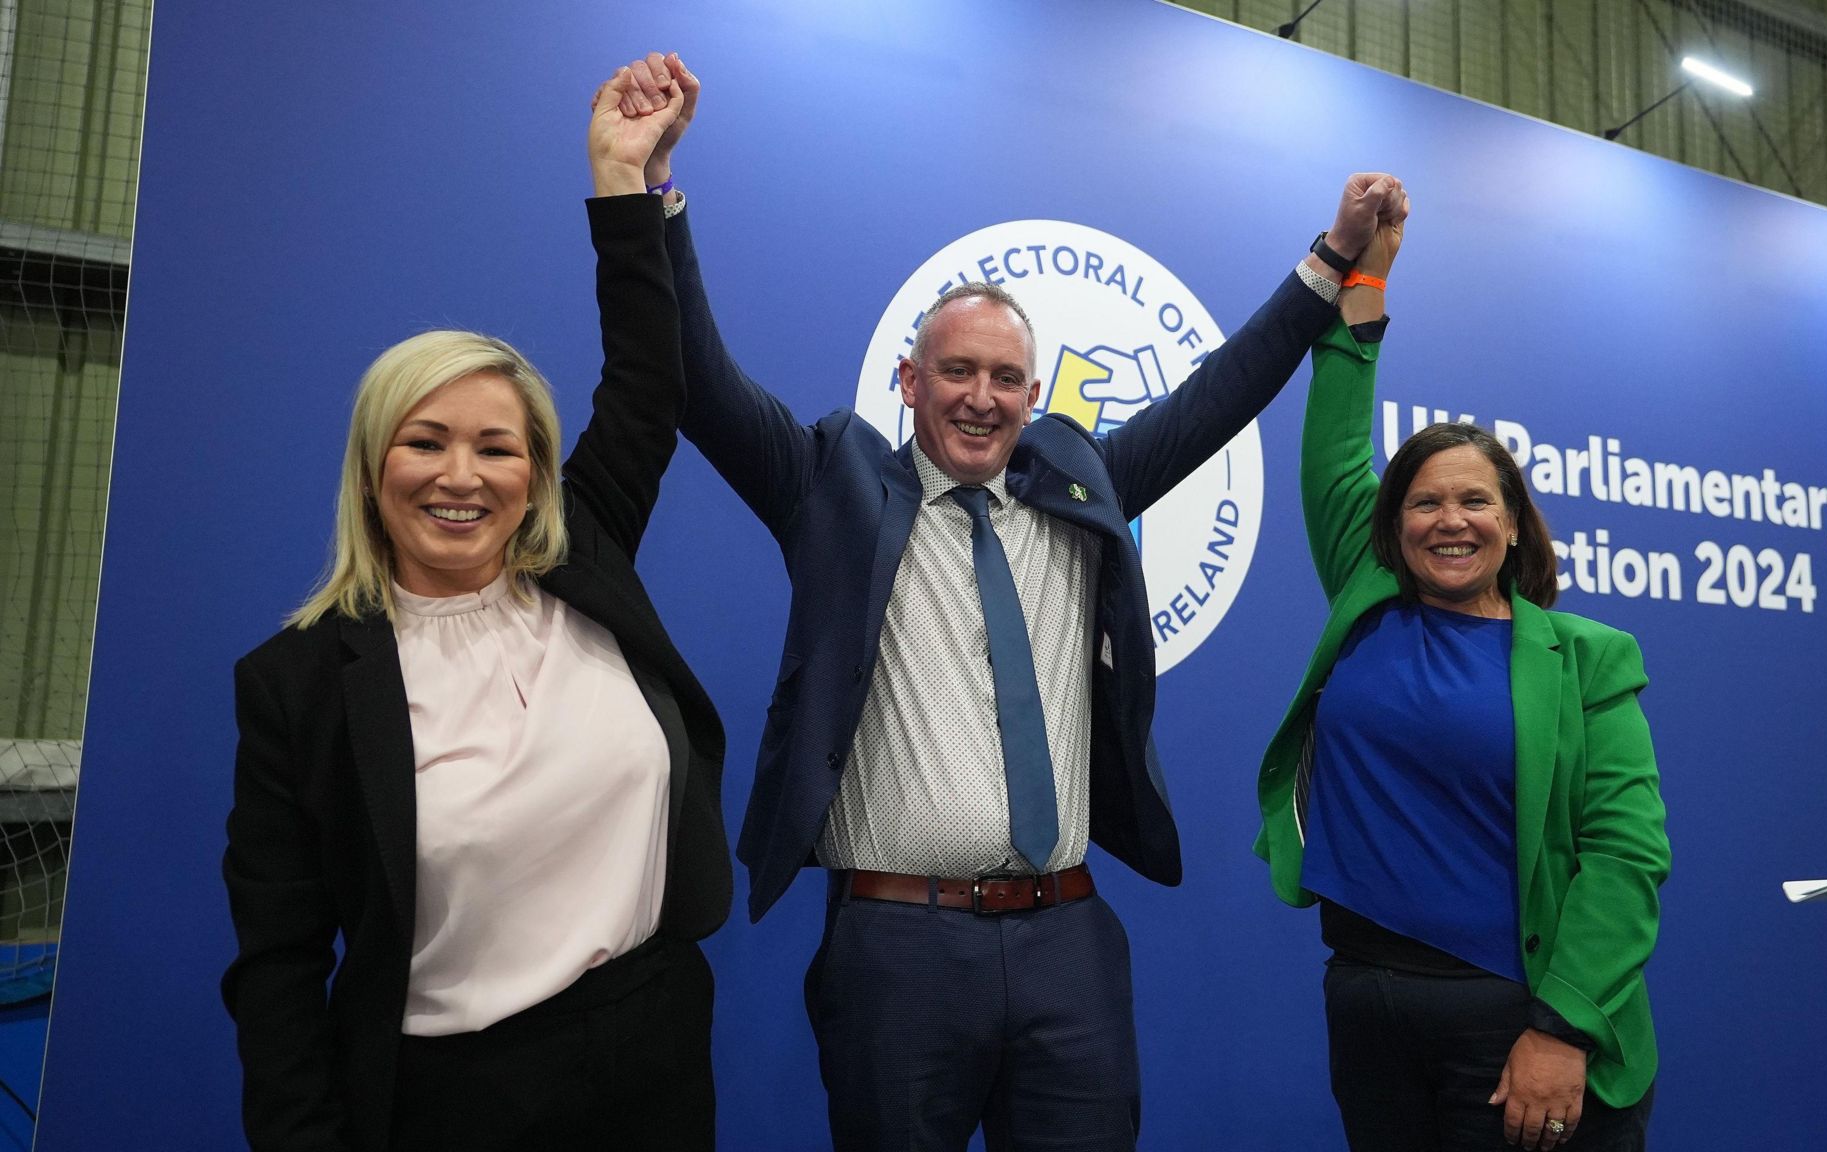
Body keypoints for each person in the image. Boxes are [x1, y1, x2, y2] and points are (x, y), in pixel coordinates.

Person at [611, 51, 1391, 1152]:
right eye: (955, 371)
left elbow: (1221, 393)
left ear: (1033, 395)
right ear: (909, 381)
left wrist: (1329, 260)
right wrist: (653, 192)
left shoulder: (1080, 490)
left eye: (1003, 378)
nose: (980, 397)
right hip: (895, 946)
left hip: (1067, 937)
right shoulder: (830, 487)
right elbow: (693, 372)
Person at [220, 66, 729, 1152]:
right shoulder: (297, 683)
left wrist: (619, 177)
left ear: (536, 476)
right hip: (454, 1101)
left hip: (653, 1054)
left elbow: (648, 377)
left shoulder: (580, 556)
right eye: (425, 442)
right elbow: (278, 964)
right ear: (371, 471)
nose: (462, 476)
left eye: (497, 447)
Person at [1252, 185, 1670, 1152]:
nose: (1451, 520)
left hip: (1520, 1020)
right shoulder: (1366, 595)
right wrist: (1368, 277)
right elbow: (1335, 435)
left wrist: (1561, 1026)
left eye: (1476, 500)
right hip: (1365, 1004)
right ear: (1391, 528)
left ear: (1514, 522)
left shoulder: (1589, 660)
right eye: (1425, 502)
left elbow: (1625, 856)